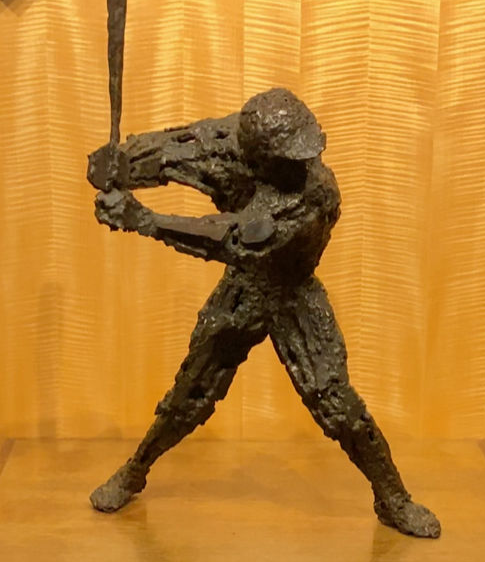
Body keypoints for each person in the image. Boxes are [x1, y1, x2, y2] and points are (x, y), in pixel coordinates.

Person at [86, 88, 440, 538]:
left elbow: (231, 239)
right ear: (258, 157)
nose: (304, 164)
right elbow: (180, 150)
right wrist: (121, 165)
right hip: (245, 289)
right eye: (290, 158)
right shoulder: (237, 142)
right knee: (189, 394)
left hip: (292, 296)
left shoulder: (314, 197)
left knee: (340, 407)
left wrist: (143, 219)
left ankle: (394, 499)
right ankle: (135, 472)